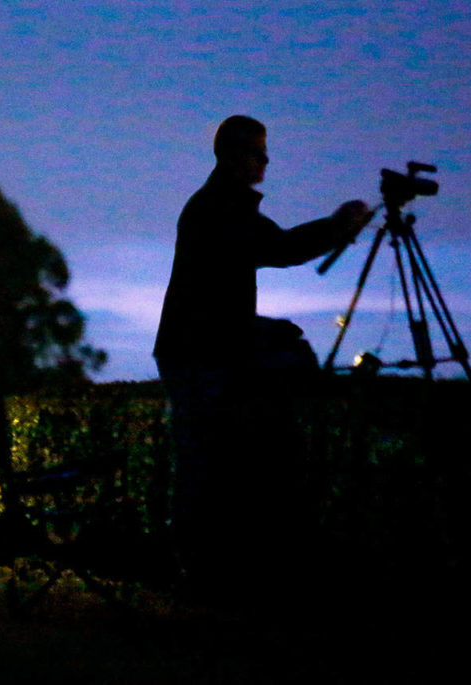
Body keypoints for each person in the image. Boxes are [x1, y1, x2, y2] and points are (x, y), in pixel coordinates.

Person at [153, 115, 372, 603]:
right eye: (257, 152)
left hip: (197, 349)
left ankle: (207, 574)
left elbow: (224, 295)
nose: (265, 161)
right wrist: (339, 227)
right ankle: (201, 576)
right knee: (201, 466)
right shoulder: (220, 208)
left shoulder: (219, 205)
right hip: (197, 356)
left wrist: (264, 328)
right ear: (233, 156)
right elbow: (280, 248)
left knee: (205, 464)